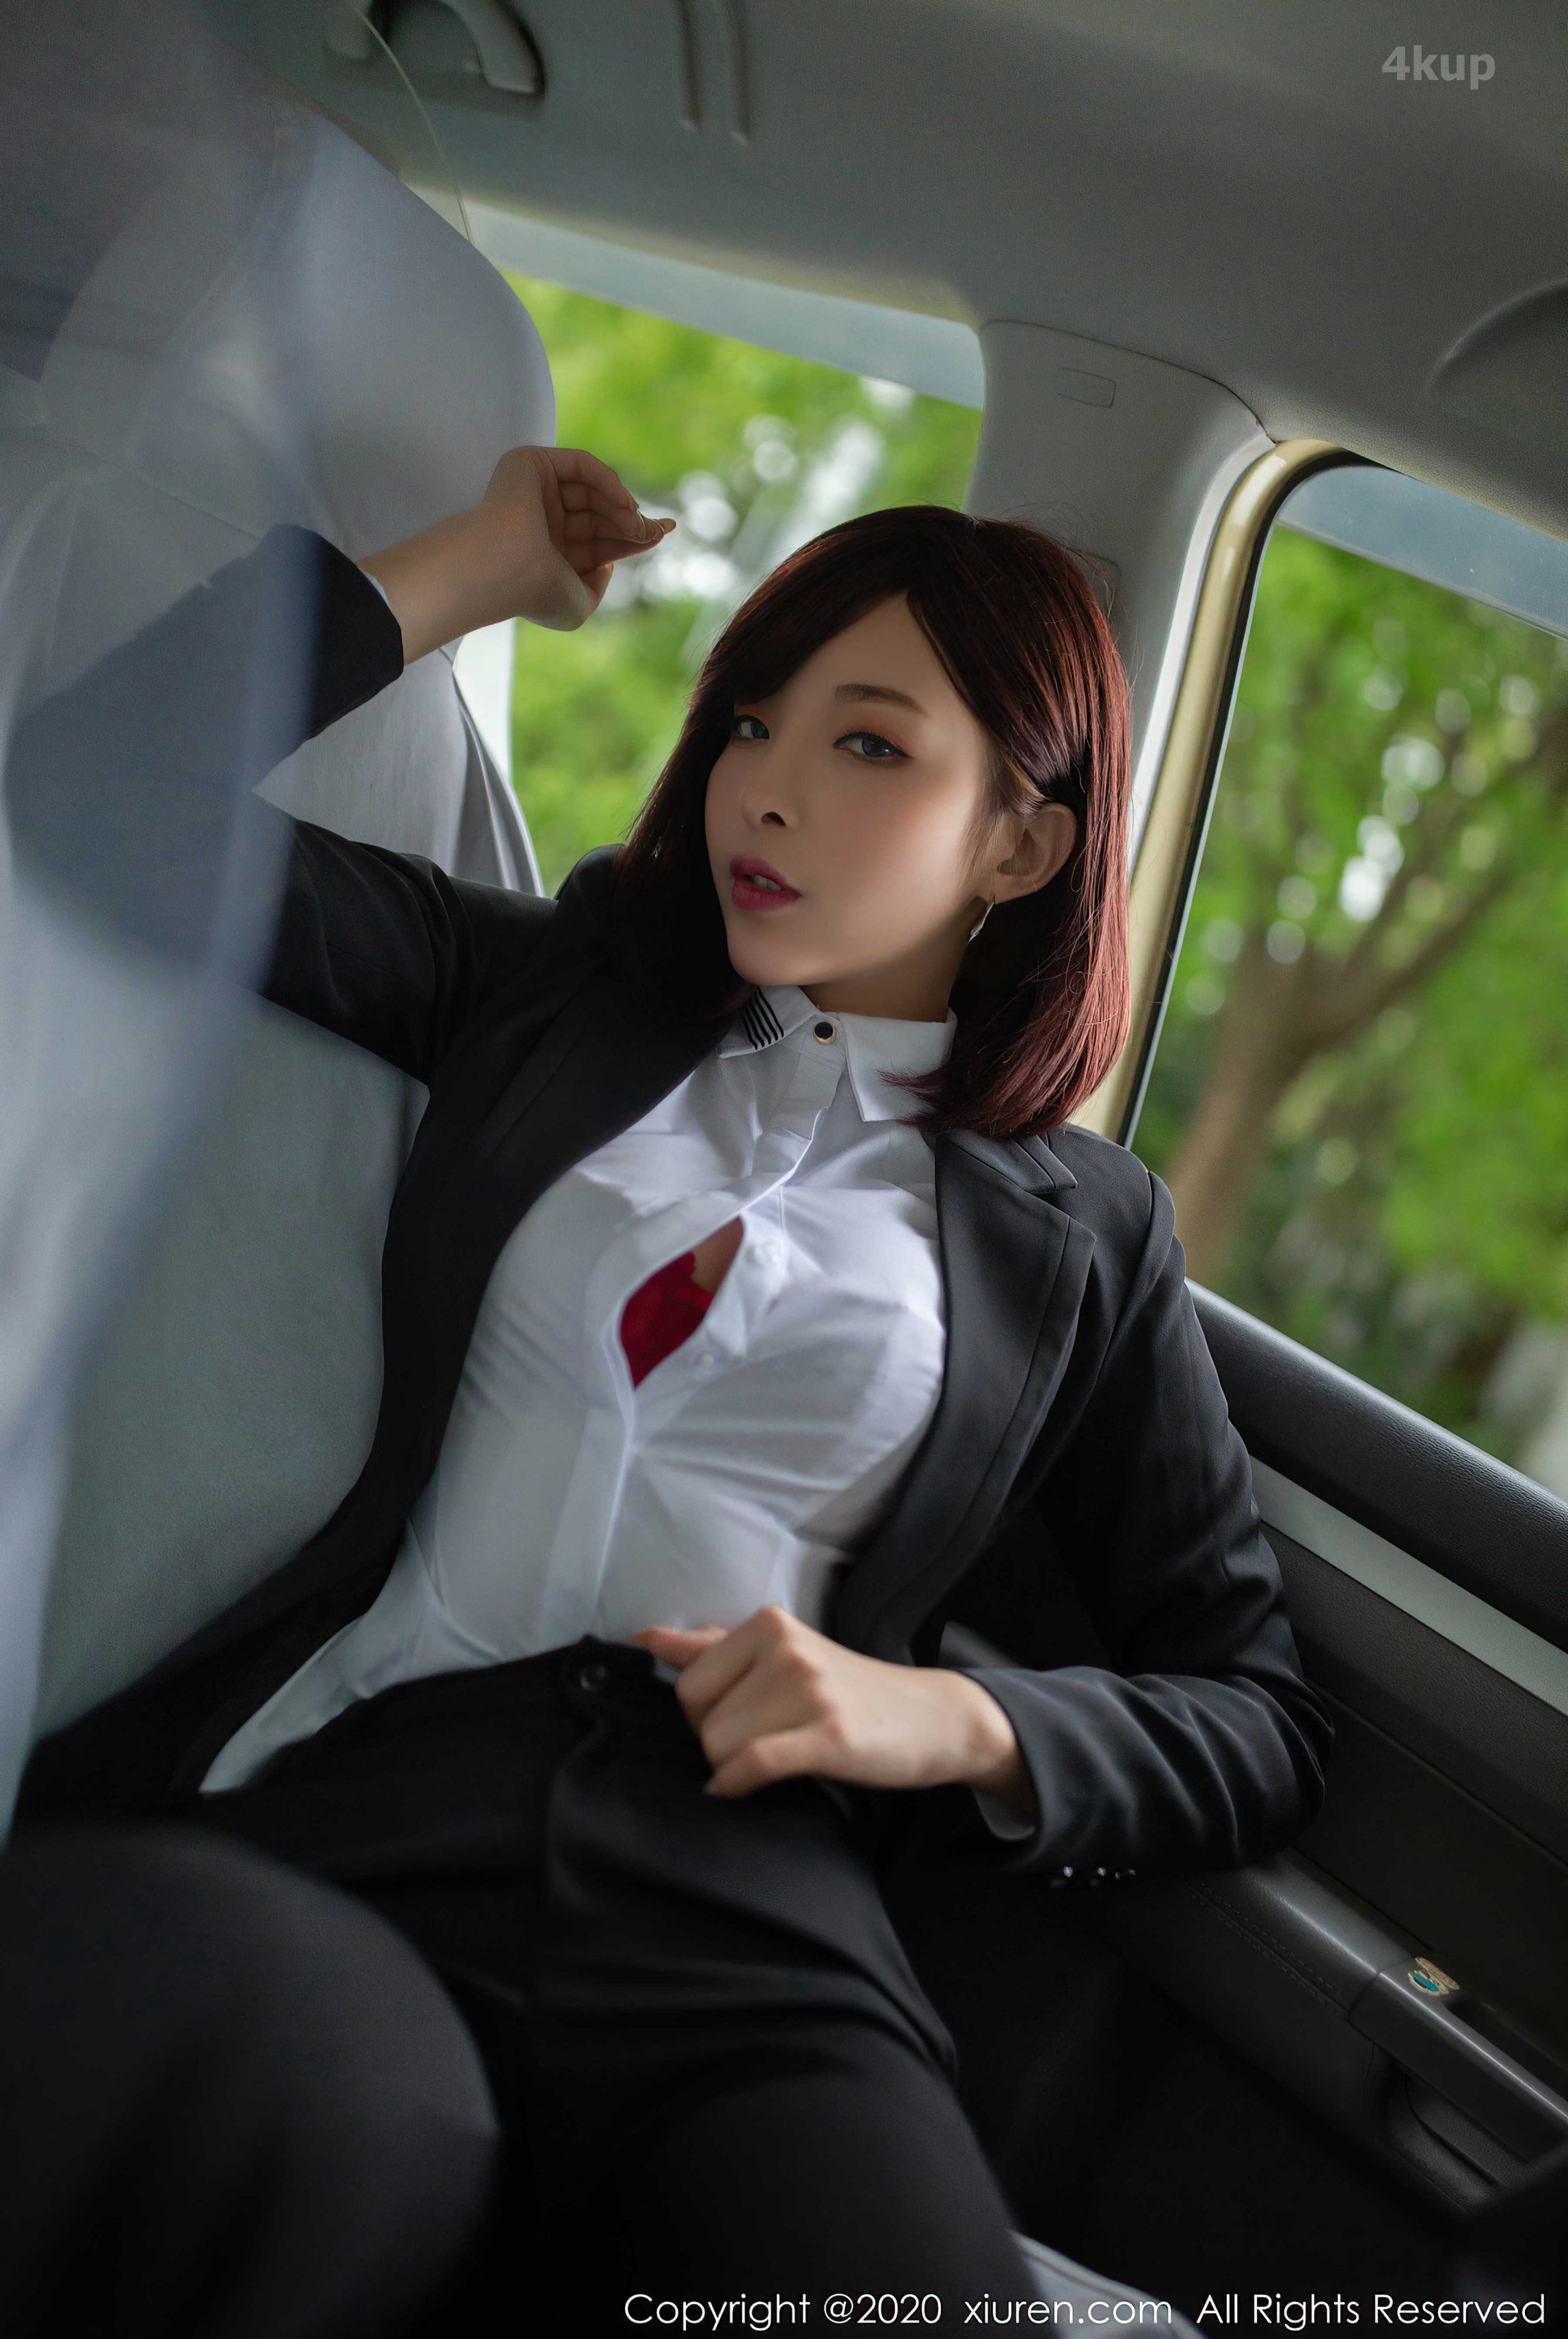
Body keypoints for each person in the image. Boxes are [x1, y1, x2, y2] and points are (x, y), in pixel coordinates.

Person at [5, 445, 1335, 2330]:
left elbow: (1256, 1713)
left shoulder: (1085, 1231)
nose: (766, 789)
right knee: (293, 2146)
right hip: (387, 1784)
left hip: (745, 1893)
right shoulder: (557, 995)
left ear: (1022, 847)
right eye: (752, 725)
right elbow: (97, 786)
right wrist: (485, 563)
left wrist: (947, 1717)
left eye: (868, 746)